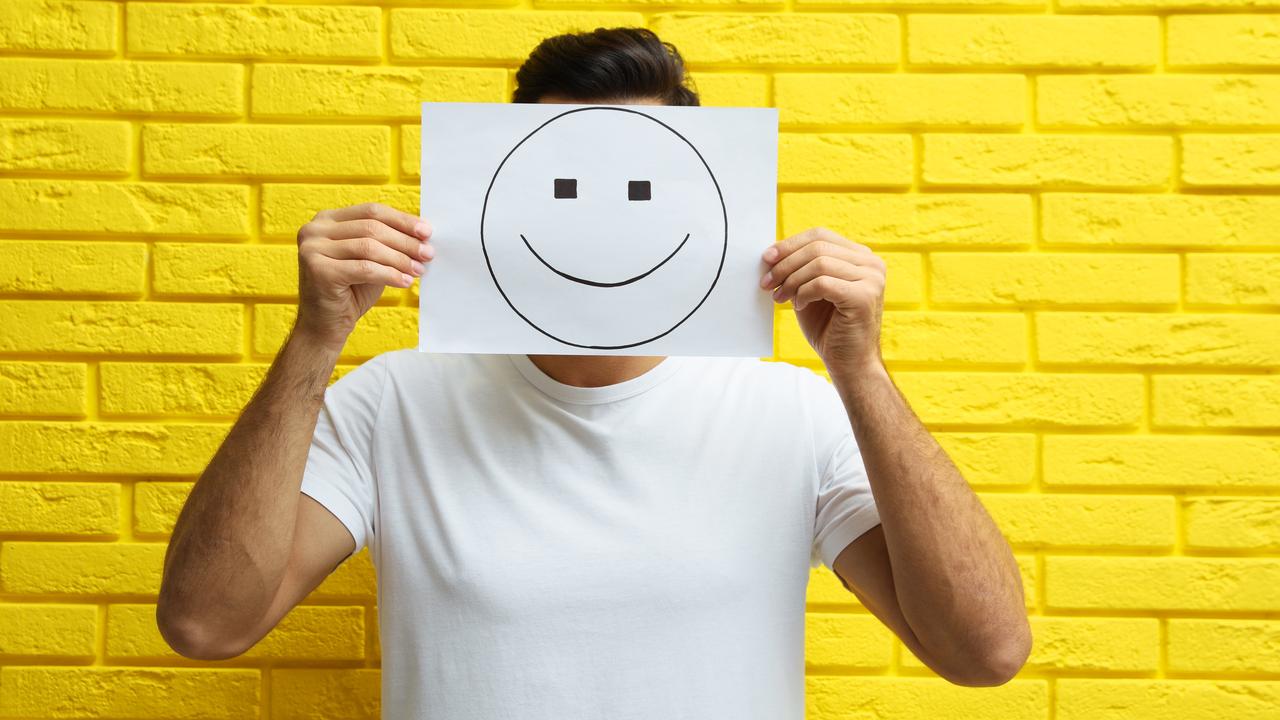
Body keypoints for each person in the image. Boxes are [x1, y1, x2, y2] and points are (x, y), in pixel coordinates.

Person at [156, 27, 1031, 718]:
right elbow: (206, 623)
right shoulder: (393, 402)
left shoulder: (794, 413)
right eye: (566, 186)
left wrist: (862, 373)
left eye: (641, 186)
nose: (602, 223)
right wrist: (315, 340)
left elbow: (984, 653)